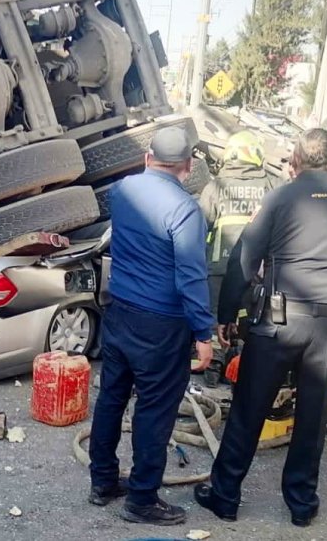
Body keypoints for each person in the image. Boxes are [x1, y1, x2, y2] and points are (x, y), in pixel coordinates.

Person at [196, 129, 327, 527]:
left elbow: (245, 256)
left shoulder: (279, 196)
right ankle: (301, 504)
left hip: (280, 319)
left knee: (248, 408)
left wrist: (227, 315)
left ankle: (224, 496)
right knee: (313, 413)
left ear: (294, 161)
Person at [87, 125, 214, 527]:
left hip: (120, 311)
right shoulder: (185, 210)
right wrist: (203, 333)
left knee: (112, 398)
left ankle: (103, 481)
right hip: (161, 324)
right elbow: (191, 277)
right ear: (189, 166)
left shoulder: (122, 191)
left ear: (147, 158)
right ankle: (142, 499)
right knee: (155, 411)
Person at [199, 131, 281, 312]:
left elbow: (201, 228)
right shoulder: (272, 185)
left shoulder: (215, 187)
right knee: (250, 322)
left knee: (216, 321)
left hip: (218, 270)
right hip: (256, 271)